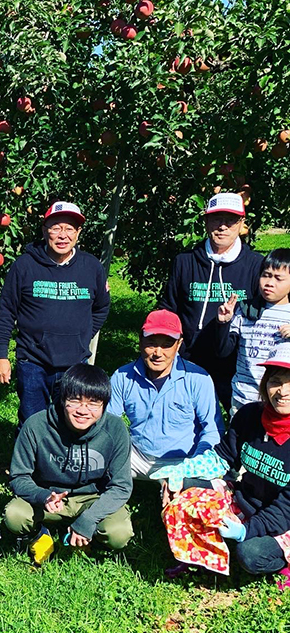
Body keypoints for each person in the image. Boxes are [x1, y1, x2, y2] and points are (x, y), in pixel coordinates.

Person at [152, 343, 290, 582]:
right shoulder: (251, 416)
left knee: (250, 554)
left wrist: (246, 531)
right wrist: (180, 472)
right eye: (276, 381)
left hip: (284, 519)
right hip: (245, 500)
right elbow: (222, 457)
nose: (282, 391)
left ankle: (282, 564)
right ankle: (197, 557)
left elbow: (285, 510)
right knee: (180, 487)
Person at [0, 201, 110, 430]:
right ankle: (29, 466)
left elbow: (101, 307)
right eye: (56, 227)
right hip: (33, 362)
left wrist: (83, 336)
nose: (62, 235)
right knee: (31, 422)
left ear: (78, 233)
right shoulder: (25, 266)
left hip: (74, 363)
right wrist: (1, 355)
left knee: (72, 422)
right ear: (45, 229)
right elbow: (6, 310)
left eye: (69, 229)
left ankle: (63, 466)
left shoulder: (91, 267)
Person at [3, 364, 133, 564]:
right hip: (48, 496)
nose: (83, 410)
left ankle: (88, 540)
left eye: (93, 403)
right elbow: (19, 476)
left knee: (118, 533)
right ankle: (39, 535)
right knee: (15, 516)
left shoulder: (115, 429)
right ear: (62, 399)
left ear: (104, 405)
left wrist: (89, 519)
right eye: (74, 400)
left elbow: (121, 486)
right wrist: (43, 496)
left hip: (92, 497)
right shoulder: (36, 425)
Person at [159, 192, 263, 409]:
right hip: (190, 358)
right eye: (216, 219)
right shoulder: (185, 262)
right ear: (206, 221)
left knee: (240, 423)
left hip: (236, 362)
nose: (223, 226)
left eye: (230, 220)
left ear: (242, 223)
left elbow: (265, 309)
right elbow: (168, 307)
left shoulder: (256, 266)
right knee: (186, 418)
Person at [108, 309, 223, 502]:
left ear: (179, 345)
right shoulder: (122, 376)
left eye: (167, 345)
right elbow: (109, 425)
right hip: (137, 455)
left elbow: (212, 429)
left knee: (191, 511)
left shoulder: (198, 378)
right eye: (151, 343)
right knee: (95, 460)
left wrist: (194, 464)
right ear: (140, 341)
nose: (158, 353)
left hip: (184, 460)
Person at [215, 248, 290, 411]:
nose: (270, 283)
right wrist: (224, 323)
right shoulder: (246, 310)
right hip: (244, 399)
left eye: (279, 278)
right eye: (266, 275)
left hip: (282, 401)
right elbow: (223, 351)